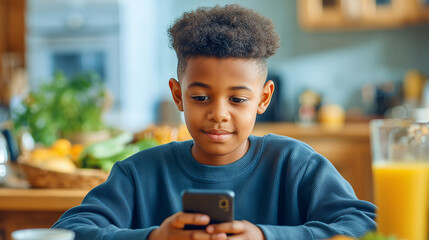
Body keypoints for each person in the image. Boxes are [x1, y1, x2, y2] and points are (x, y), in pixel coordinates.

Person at [52, 4, 376, 240]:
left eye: (237, 99)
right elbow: (67, 232)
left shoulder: (295, 164)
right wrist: (155, 238)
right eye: (200, 97)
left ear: (263, 99)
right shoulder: (138, 174)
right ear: (178, 96)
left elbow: (365, 224)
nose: (219, 114)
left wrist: (266, 237)